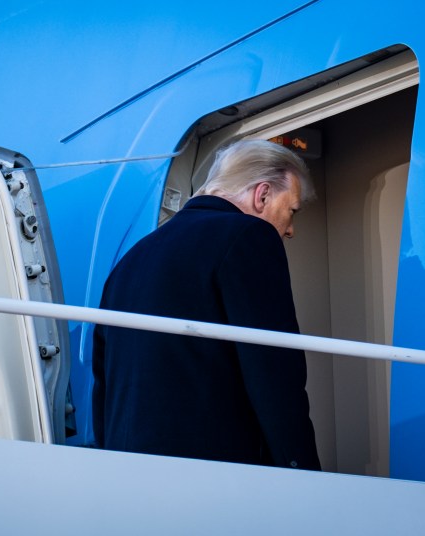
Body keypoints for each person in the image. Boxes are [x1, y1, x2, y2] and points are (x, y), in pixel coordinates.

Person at [92, 139, 321, 470]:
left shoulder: (131, 259)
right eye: (292, 210)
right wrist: (304, 472)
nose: (290, 230)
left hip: (129, 469)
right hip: (216, 474)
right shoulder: (250, 236)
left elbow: (104, 382)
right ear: (263, 195)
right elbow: (274, 373)